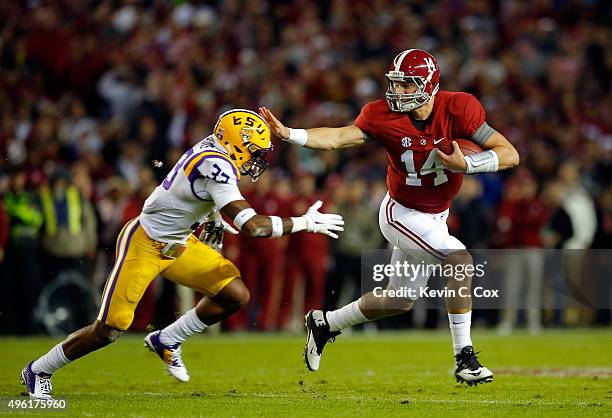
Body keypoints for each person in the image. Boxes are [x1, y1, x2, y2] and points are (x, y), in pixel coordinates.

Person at [21, 109, 344, 399]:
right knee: (111, 328)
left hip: (179, 243)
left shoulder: (214, 148)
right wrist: (304, 222)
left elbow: (187, 188)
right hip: (146, 242)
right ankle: (39, 369)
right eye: (253, 151)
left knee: (234, 293)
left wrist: (212, 216)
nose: (255, 159)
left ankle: (167, 339)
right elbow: (254, 227)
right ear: (235, 143)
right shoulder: (216, 165)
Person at [260, 49, 520, 385]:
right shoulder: (380, 115)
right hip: (402, 212)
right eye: (395, 84)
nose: (397, 92)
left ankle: (325, 323)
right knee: (460, 260)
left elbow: (509, 154)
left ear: (429, 84)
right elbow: (339, 138)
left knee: (399, 300)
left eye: (407, 85)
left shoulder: (459, 107)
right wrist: (291, 134)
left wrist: (467, 165)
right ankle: (464, 357)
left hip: (436, 216)